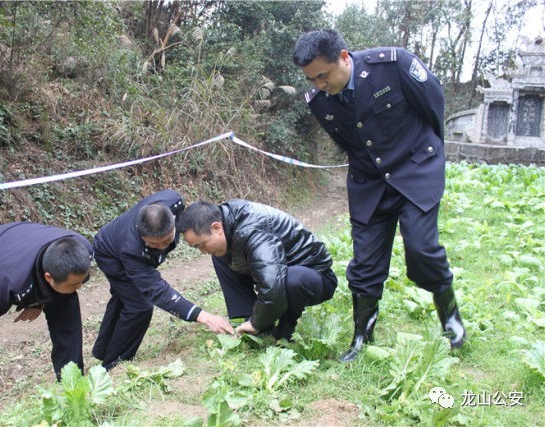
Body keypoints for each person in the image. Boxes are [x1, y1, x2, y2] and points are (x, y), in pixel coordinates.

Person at [292, 29, 466, 362]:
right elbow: (348, 142)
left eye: (323, 76)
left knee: (421, 247)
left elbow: (433, 106)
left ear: (344, 57)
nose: (318, 85)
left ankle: (451, 317)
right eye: (311, 79)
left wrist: (429, 156)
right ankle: (361, 337)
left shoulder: (394, 64)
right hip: (369, 183)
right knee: (365, 262)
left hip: (415, 170)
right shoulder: (318, 101)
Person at [0, 222, 93, 413]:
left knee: (68, 330)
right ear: (48, 278)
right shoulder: (4, 282)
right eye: (74, 284)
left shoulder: (82, 251)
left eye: (81, 281)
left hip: (24, 247)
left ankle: (74, 395)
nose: (80, 287)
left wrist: (38, 301)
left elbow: (65, 281)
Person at [92, 189, 233, 370]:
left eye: (166, 241)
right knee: (139, 306)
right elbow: (157, 290)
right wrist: (204, 317)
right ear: (141, 235)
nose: (160, 248)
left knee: (124, 296)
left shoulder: (174, 201)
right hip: (110, 254)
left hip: (122, 242)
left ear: (174, 221)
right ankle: (113, 364)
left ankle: (102, 350)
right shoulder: (131, 249)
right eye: (153, 245)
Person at [177, 199, 337, 340]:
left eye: (201, 244)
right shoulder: (229, 220)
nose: (203, 251)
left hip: (316, 277)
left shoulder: (253, 231)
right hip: (282, 270)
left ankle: (283, 333)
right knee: (219, 255)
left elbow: (272, 286)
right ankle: (255, 324)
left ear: (217, 227)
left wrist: (257, 322)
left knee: (291, 280)